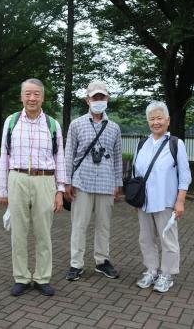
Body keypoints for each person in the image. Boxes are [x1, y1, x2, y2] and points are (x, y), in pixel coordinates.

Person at [0, 78, 66, 297]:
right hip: (17, 178)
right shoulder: (11, 122)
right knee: (18, 232)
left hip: (45, 180)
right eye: (27, 93)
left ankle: (42, 277)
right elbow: (4, 157)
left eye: (36, 94)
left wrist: (60, 190)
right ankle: (21, 277)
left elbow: (60, 158)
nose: (32, 98)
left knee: (43, 233)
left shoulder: (53, 125)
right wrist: (2, 189)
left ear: (42, 97)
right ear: (21, 96)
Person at [64, 80, 123, 281]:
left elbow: (117, 157)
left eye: (102, 97)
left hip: (106, 183)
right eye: (95, 97)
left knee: (104, 225)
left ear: (107, 99)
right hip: (82, 181)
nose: (98, 100)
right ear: (87, 100)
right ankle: (76, 263)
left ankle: (102, 261)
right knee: (79, 225)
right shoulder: (76, 124)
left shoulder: (114, 127)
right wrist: (66, 182)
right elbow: (68, 154)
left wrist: (118, 183)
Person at [132, 101, 191, 293]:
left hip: (166, 201)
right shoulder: (142, 143)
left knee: (168, 239)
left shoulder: (175, 143)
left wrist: (180, 201)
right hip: (145, 202)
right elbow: (135, 173)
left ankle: (167, 274)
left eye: (159, 118)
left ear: (167, 120)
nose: (155, 122)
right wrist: (135, 198)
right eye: (152, 119)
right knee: (146, 238)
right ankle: (151, 269)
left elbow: (185, 175)